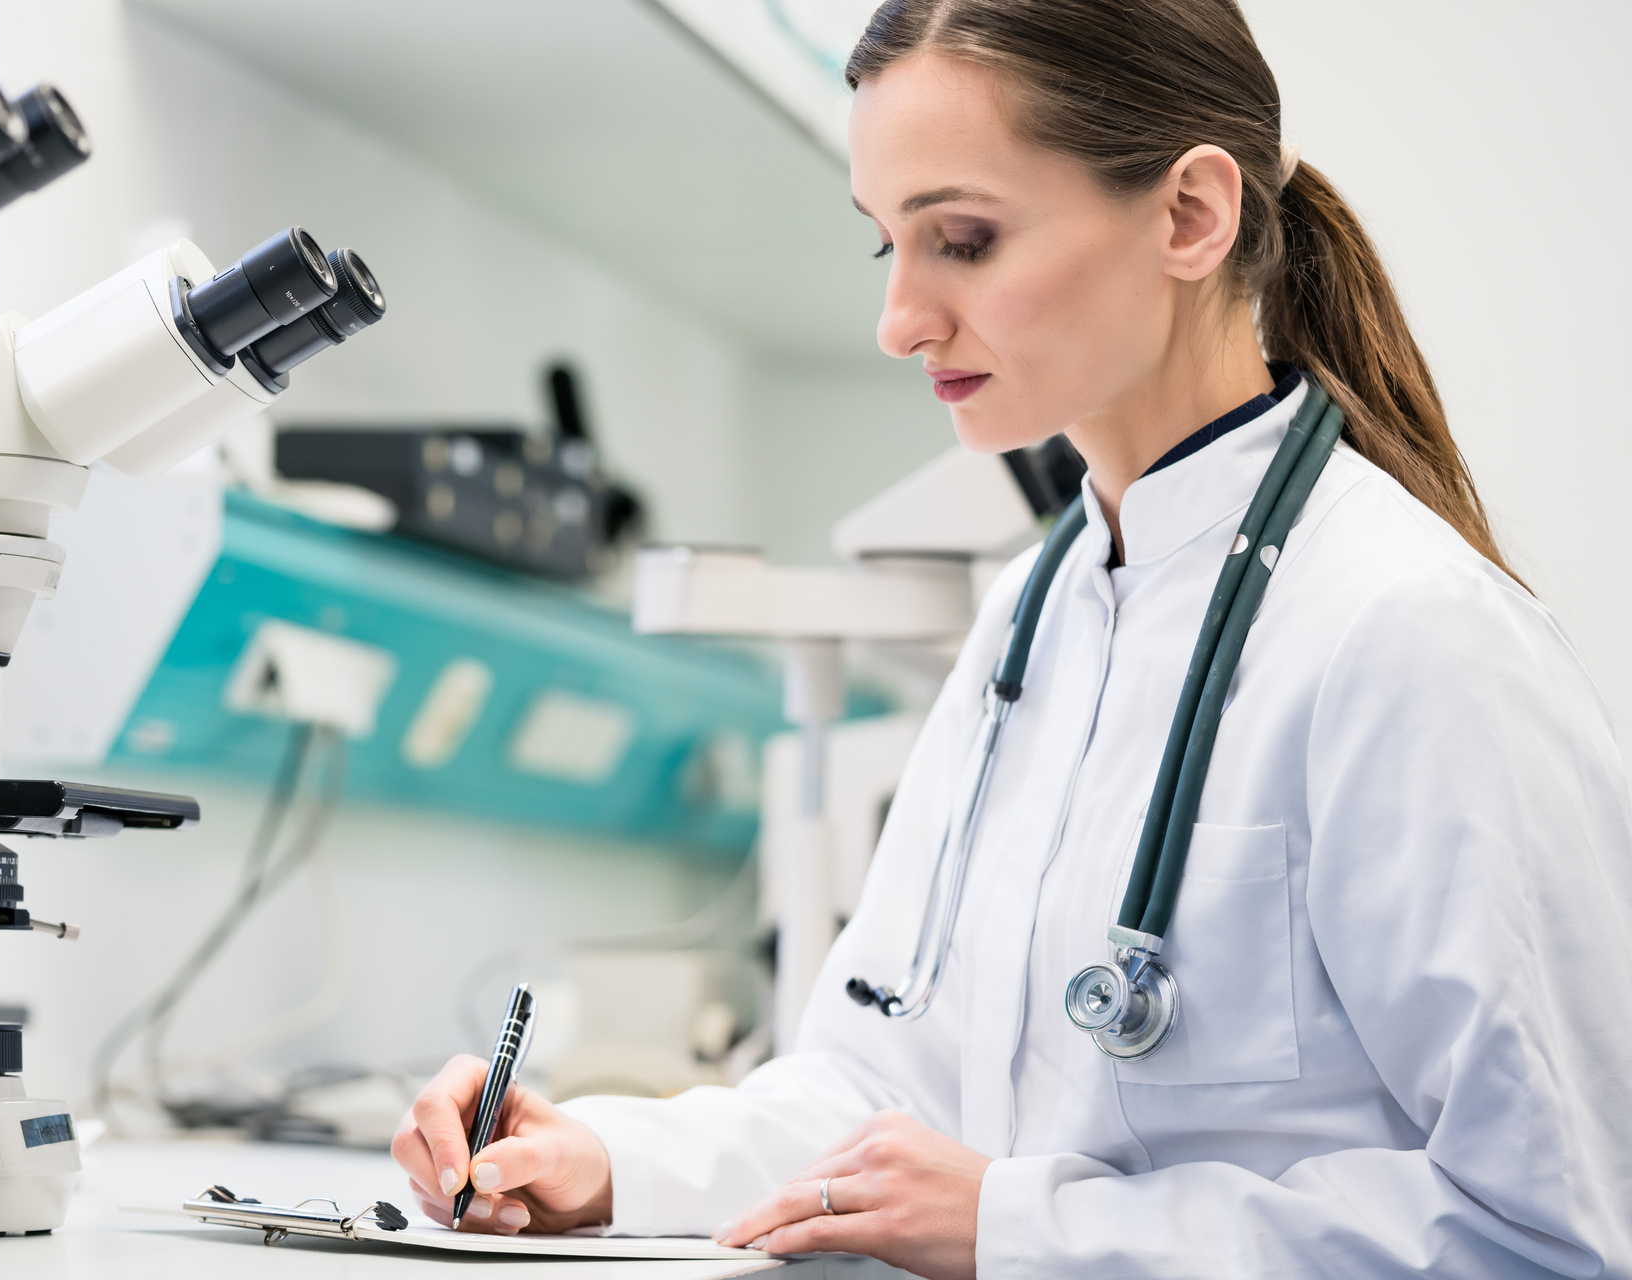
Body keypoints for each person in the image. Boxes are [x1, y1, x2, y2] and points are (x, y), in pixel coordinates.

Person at [393, 1, 1632, 1275]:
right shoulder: (1033, 613)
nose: (900, 317)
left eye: (964, 241)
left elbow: (1551, 1234)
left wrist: (1024, 1225)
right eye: (886, 245)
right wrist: (611, 1162)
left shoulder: (1409, 635)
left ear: (1190, 216)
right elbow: (887, 1092)